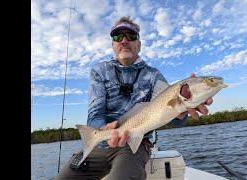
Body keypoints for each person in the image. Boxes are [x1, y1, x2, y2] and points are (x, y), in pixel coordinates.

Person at [54, 16, 213, 180]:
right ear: (113, 44)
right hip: (101, 143)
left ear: (139, 44)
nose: (124, 40)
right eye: (117, 36)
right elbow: (95, 113)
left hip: (136, 144)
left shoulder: (154, 75)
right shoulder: (99, 71)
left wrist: (181, 113)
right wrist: (102, 130)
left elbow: (177, 121)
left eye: (130, 36)